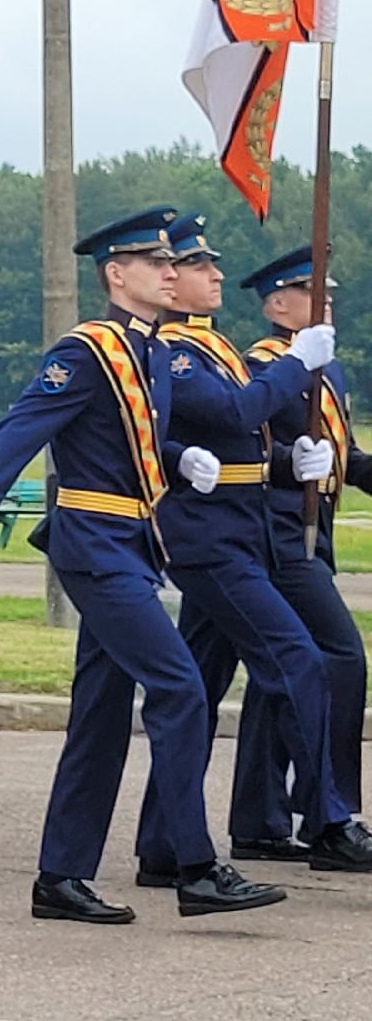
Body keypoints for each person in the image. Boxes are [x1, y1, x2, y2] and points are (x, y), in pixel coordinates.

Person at [0, 206, 288, 922]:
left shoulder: (150, 352)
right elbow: (19, 433)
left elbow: (128, 442)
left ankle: (60, 877)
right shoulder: (88, 351)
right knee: (180, 689)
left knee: (100, 714)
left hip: (132, 547)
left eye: (173, 264)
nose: (172, 273)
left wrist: (183, 457)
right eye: (157, 264)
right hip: (94, 547)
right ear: (118, 276)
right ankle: (197, 867)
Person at [129, 216, 372, 881]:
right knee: (304, 661)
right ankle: (326, 818)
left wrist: (295, 457)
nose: (206, 276)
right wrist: (298, 364)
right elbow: (237, 415)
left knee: (196, 695)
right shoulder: (177, 352)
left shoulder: (218, 350)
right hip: (216, 541)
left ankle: (164, 846)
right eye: (195, 268)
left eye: (205, 267)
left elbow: (253, 441)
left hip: (246, 535)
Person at [227, 246, 372, 858]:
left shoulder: (324, 370)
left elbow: (344, 456)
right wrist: (289, 464)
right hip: (278, 538)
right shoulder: (267, 366)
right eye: (316, 295)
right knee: (341, 659)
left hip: (315, 533)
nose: (329, 305)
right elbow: (245, 446)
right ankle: (328, 817)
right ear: (278, 305)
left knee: (277, 679)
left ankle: (260, 823)